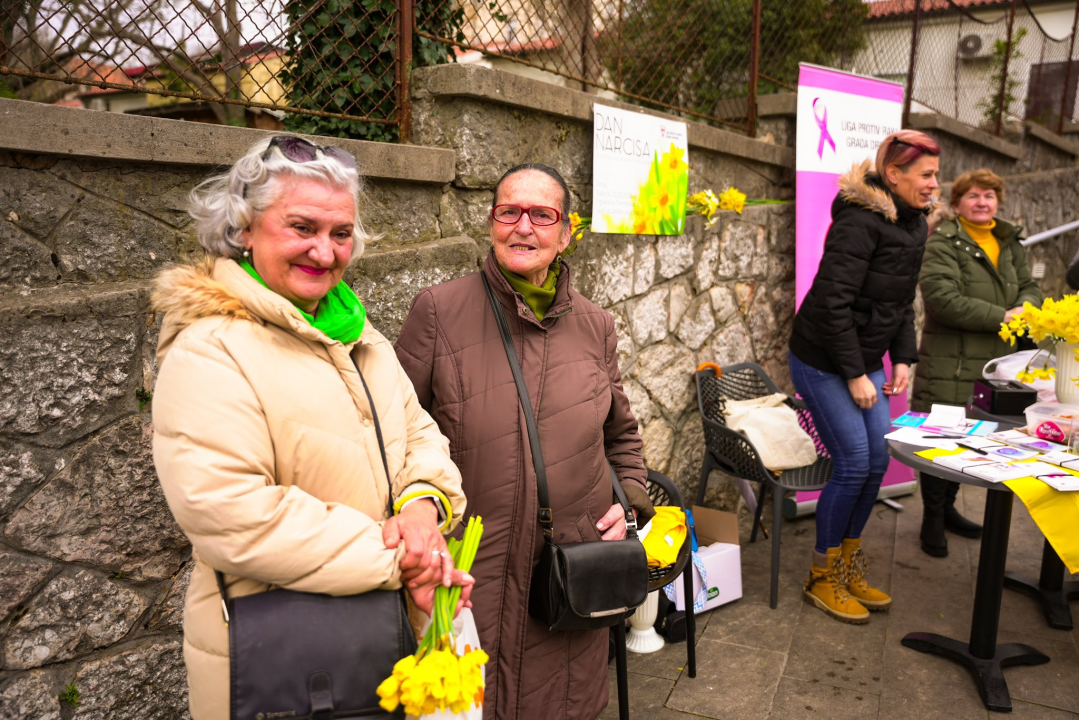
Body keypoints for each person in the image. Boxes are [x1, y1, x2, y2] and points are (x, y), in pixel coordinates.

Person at [151, 136, 469, 719]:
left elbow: (420, 435)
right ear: (245, 228)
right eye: (302, 227)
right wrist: (401, 556)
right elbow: (229, 511)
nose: (324, 252)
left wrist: (422, 510)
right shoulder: (211, 348)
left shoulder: (356, 334)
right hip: (278, 659)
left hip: (380, 631)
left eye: (341, 233)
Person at [393, 162, 656, 720]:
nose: (523, 227)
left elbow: (622, 435)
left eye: (542, 215)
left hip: (568, 577)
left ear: (566, 234)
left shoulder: (596, 326)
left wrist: (629, 501)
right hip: (468, 574)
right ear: (491, 223)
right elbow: (393, 434)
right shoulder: (439, 311)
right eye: (508, 211)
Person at [788, 130, 941, 624]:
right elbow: (832, 302)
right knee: (855, 461)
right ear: (894, 175)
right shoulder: (859, 222)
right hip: (820, 359)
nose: (935, 184)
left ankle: (847, 565)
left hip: (863, 359)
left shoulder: (914, 223)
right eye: (926, 175)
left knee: (878, 462)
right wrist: (856, 373)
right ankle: (821, 576)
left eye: (936, 174)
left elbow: (898, 300)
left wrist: (902, 357)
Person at [912, 168, 1043, 557]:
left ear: (998, 203)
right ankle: (932, 517)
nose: (982, 202)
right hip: (950, 361)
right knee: (941, 441)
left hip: (998, 365)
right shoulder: (944, 242)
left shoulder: (1010, 241)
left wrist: (1028, 308)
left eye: (989, 196)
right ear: (956, 205)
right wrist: (1004, 316)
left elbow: (1031, 287)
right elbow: (941, 298)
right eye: (973, 196)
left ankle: (949, 508)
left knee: (974, 440)